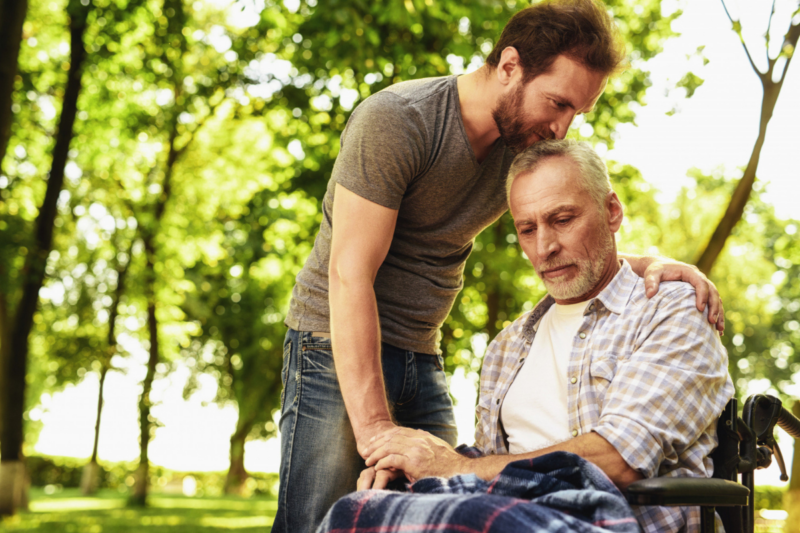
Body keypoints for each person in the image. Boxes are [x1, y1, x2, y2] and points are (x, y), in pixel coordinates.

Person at [275, 2, 725, 531]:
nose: (561, 126)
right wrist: (374, 430)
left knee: (440, 494)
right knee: (319, 517)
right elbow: (349, 275)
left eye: (576, 113)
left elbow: (570, 223)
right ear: (510, 66)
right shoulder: (400, 120)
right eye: (558, 102)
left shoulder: (524, 146)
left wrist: (648, 265)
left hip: (421, 349)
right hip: (334, 339)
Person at [354, 139, 734, 532]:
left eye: (563, 219)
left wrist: (455, 467)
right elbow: (481, 467)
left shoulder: (670, 310)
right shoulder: (506, 347)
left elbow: (620, 459)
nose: (544, 247)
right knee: (358, 510)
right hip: (504, 516)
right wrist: (409, 466)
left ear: (612, 211)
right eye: (527, 228)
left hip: (613, 522)